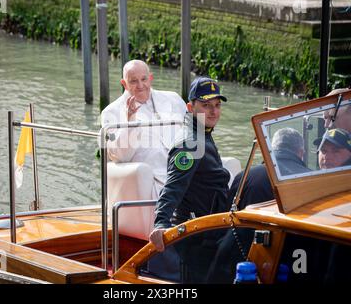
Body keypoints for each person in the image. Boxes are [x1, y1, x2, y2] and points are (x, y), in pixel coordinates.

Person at [149, 76, 231, 283]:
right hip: (198, 236)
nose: (213, 111)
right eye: (206, 105)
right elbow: (173, 187)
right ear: (190, 106)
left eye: (217, 105)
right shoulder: (190, 142)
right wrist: (160, 223)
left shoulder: (202, 132)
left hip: (212, 227)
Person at [206, 127, 310, 283]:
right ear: (301, 152)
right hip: (289, 258)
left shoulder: (246, 176)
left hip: (241, 258)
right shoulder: (310, 180)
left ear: (270, 150)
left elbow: (227, 219)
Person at [101, 60, 187, 199]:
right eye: (133, 81)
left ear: (150, 78)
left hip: (180, 171)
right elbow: (120, 157)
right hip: (147, 178)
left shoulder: (173, 99)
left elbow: (192, 133)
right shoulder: (111, 112)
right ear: (124, 84)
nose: (140, 86)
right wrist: (130, 121)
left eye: (144, 79)